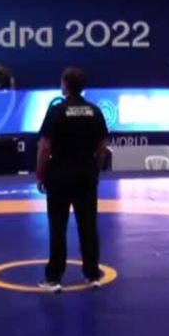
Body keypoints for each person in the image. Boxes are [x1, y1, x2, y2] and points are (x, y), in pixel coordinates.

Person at [35, 66, 108, 293]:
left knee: (58, 227)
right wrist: (95, 169)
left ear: (64, 85)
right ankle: (92, 275)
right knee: (88, 225)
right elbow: (103, 147)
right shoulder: (95, 111)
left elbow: (44, 146)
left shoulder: (57, 111)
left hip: (59, 176)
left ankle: (54, 279)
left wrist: (40, 173)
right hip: (86, 175)